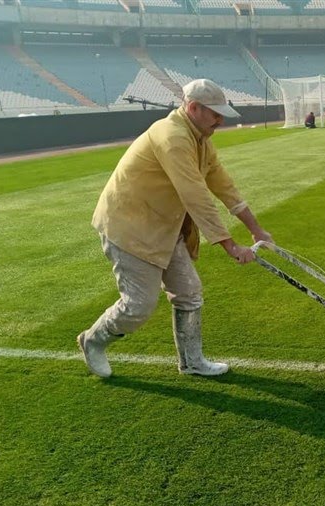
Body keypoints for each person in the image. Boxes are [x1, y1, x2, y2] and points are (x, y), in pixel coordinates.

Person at [77, 78, 273, 379]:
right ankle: (92, 340)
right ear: (193, 108)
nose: (220, 120)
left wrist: (257, 230)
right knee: (138, 306)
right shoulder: (173, 137)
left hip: (164, 228)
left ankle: (191, 362)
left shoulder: (201, 140)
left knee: (189, 292)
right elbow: (195, 195)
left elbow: (224, 186)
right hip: (129, 227)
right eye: (215, 114)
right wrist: (230, 245)